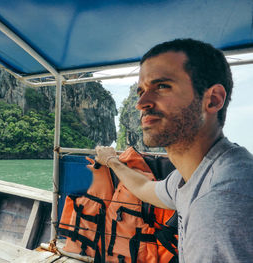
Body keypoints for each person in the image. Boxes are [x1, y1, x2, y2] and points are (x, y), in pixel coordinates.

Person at [95, 39, 253, 263]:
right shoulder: (193, 175)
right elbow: (144, 187)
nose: (141, 102)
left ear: (213, 99)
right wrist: (112, 161)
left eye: (162, 86)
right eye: (141, 91)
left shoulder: (221, 203)